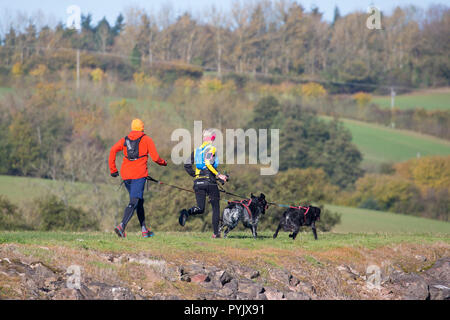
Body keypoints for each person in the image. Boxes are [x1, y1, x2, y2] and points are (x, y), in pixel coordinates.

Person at [109, 118, 167, 238]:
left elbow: (113, 150)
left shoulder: (125, 140)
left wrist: (113, 169)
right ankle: (121, 226)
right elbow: (156, 158)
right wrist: (164, 163)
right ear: (142, 127)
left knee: (139, 201)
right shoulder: (146, 139)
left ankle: (144, 230)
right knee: (134, 201)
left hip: (126, 176)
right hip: (139, 175)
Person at [179, 128, 228, 238]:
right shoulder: (211, 148)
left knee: (200, 208)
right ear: (212, 138)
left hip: (198, 182)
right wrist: (219, 175)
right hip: (210, 182)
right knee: (215, 207)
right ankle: (216, 234)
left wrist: (196, 176)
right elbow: (208, 162)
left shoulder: (196, 150)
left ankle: (187, 213)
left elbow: (187, 165)